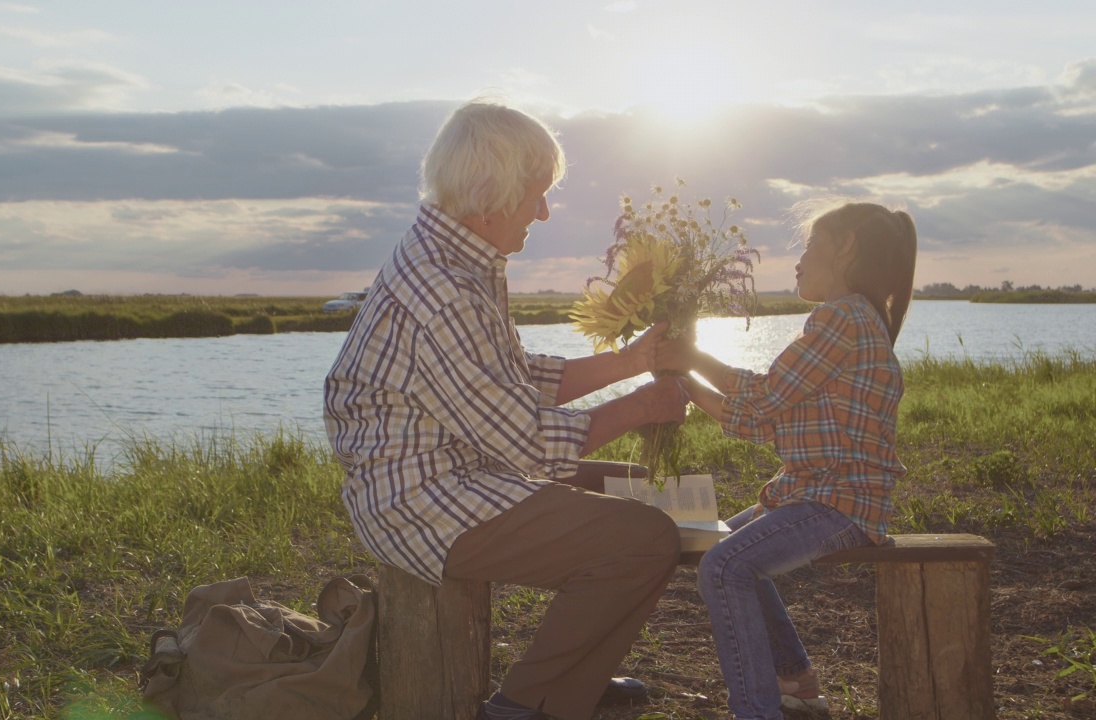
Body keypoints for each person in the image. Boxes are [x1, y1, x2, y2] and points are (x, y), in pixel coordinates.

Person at [323, 98, 690, 720]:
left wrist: (631, 361)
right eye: (536, 195)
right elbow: (525, 442)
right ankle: (524, 707)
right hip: (419, 502)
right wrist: (641, 405)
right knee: (643, 538)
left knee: (631, 489)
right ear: (493, 194)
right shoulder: (444, 290)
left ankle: (572, 682)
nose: (542, 212)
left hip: (451, 469)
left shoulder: (457, 256)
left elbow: (512, 381)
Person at [657, 201, 917, 720]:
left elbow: (767, 395)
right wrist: (684, 382)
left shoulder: (841, 316)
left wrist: (691, 358)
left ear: (845, 246)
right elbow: (760, 421)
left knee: (724, 565)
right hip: (816, 495)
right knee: (718, 544)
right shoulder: (855, 319)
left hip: (838, 502)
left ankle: (757, 710)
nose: (798, 261)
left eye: (808, 243)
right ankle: (796, 683)